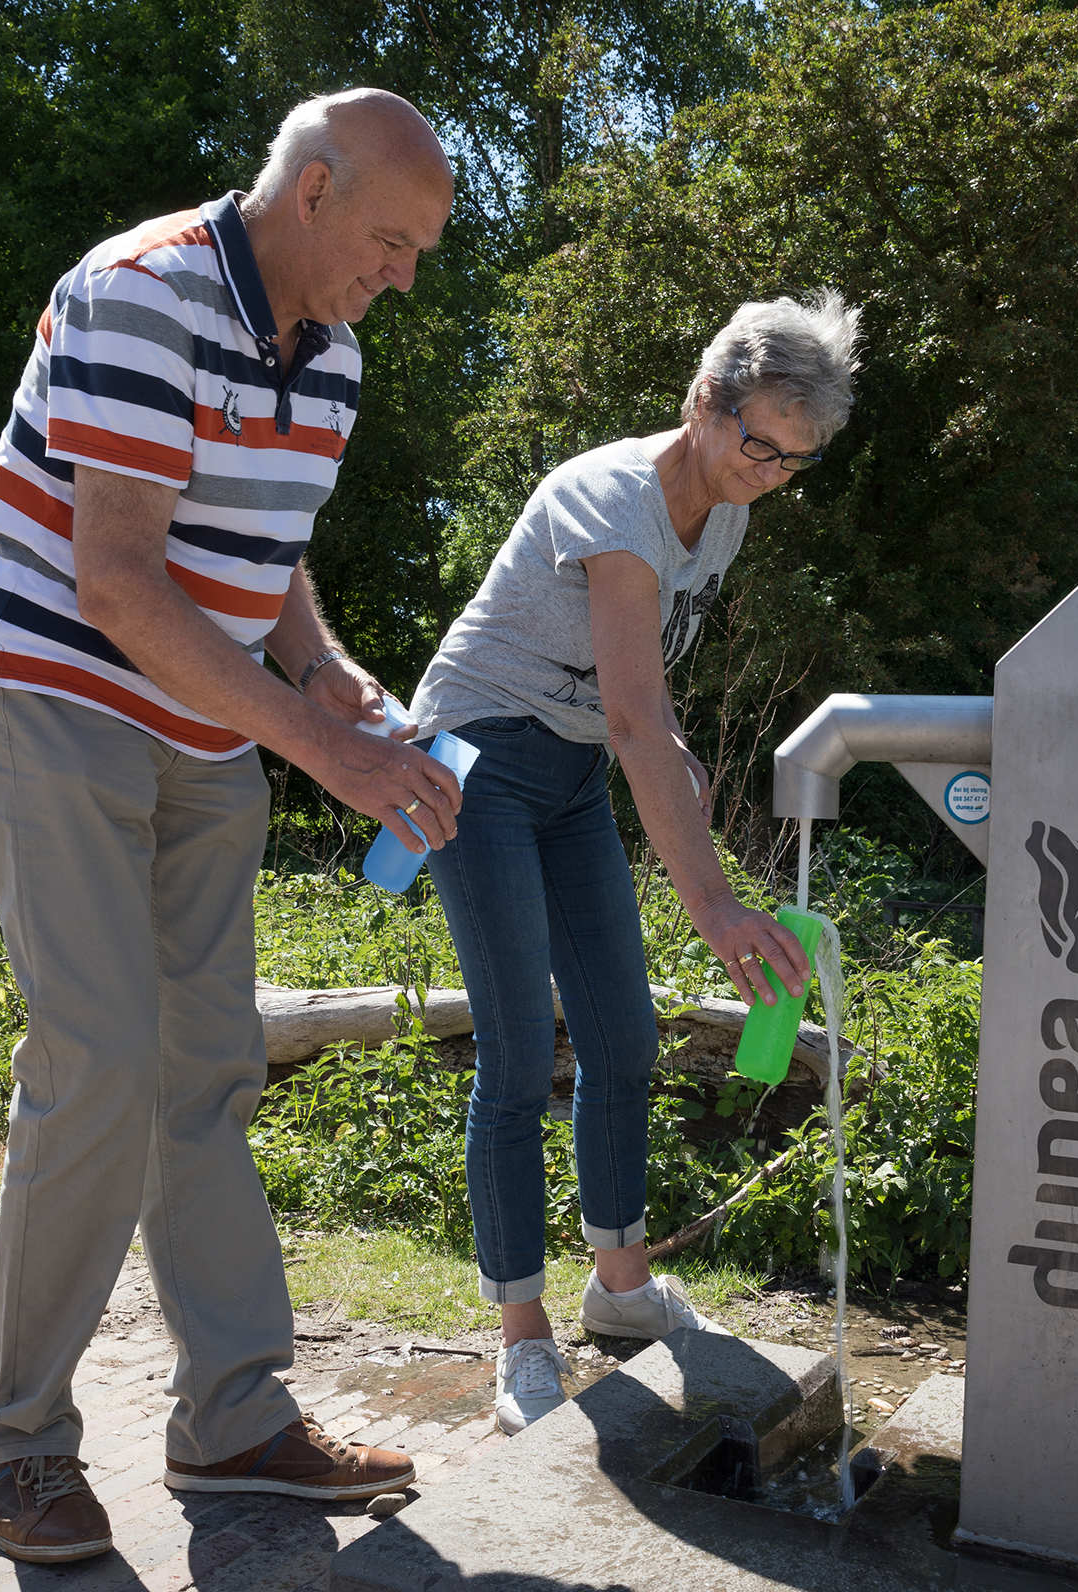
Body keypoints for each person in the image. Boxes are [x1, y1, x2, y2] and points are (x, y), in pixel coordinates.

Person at [0, 89, 466, 1564]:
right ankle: (20, 1448)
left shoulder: (336, 356)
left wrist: (318, 665)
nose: (403, 275)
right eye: (389, 239)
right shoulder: (139, 295)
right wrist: (322, 750)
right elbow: (116, 579)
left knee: (208, 1069)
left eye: (419, 251)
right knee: (100, 1056)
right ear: (310, 192)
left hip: (210, 724)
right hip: (63, 696)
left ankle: (233, 1420)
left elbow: (265, 548)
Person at [407, 291, 864, 1433]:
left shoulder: (726, 519)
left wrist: (677, 754)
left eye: (794, 460)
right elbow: (626, 711)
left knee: (623, 1033)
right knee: (516, 1046)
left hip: (565, 771)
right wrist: (709, 897)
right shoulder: (611, 496)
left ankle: (619, 1288)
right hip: (476, 756)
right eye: (758, 441)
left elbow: (642, 698)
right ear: (701, 402)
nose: (770, 471)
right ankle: (521, 1338)